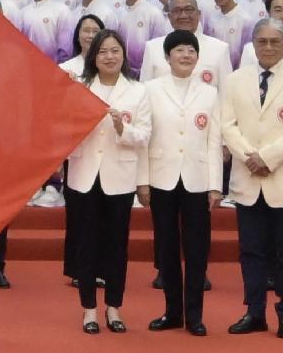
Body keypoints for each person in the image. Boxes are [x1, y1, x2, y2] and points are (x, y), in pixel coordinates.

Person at [222, 19, 283, 335]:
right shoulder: (235, 79)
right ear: (252, 44)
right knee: (251, 251)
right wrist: (250, 157)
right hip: (248, 179)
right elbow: (227, 125)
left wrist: (267, 158)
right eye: (261, 42)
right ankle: (254, 312)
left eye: (274, 42)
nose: (267, 47)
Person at [63, 32, 149, 333]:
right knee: (85, 245)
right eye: (102, 52)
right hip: (84, 175)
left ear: (124, 55)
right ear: (93, 57)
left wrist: (120, 126)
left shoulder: (138, 92)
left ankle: (114, 307)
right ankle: (89, 309)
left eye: (115, 51)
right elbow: (63, 129)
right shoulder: (81, 88)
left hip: (119, 178)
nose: (109, 57)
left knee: (116, 246)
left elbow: (143, 136)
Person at [141, 29, 222, 336]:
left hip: (198, 179)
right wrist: (143, 181)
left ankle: (195, 316)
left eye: (191, 50)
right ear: (167, 57)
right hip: (161, 177)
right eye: (179, 51)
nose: (186, 55)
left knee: (197, 247)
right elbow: (145, 138)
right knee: (166, 247)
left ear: (198, 57)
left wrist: (215, 185)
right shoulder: (151, 89)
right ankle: (172, 312)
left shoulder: (210, 93)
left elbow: (214, 142)